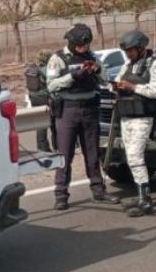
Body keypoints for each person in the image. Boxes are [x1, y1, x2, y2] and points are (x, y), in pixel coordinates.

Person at [47, 23, 119, 211]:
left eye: (85, 46)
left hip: (90, 109)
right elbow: (51, 85)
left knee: (92, 152)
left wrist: (96, 70)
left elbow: (105, 79)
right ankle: (61, 195)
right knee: (65, 154)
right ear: (70, 43)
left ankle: (98, 191)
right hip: (67, 111)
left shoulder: (92, 56)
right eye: (80, 46)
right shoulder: (58, 59)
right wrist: (73, 76)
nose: (83, 49)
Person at [112, 29, 156, 218]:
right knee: (131, 158)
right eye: (127, 51)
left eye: (131, 50)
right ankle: (141, 194)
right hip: (126, 116)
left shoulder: (155, 65)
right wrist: (116, 86)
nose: (129, 54)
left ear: (141, 48)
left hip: (144, 117)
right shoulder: (128, 64)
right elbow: (118, 81)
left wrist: (133, 87)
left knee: (135, 156)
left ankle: (146, 200)